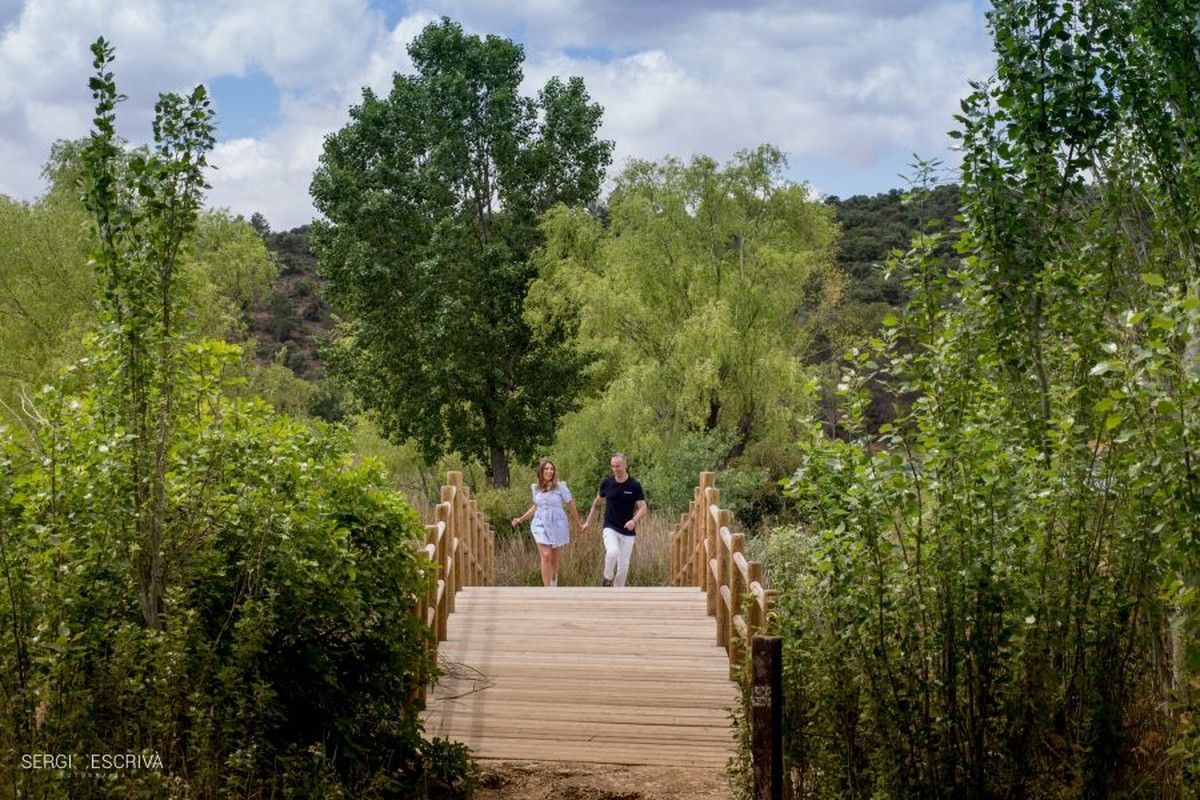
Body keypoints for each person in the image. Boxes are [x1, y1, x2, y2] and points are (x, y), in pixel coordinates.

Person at [511, 460, 583, 587]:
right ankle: (547, 590)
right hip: (540, 523)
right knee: (545, 555)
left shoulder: (561, 487)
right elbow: (535, 507)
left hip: (557, 524)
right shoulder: (535, 488)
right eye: (546, 469)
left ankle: (554, 582)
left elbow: (571, 506)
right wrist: (521, 519)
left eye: (551, 469)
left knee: (554, 559)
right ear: (541, 471)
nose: (549, 471)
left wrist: (578, 524)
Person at [581, 452, 647, 587]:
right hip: (610, 527)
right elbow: (596, 504)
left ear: (625, 465)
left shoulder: (634, 485)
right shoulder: (607, 483)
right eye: (613, 466)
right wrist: (588, 522)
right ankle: (607, 578)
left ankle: (618, 592)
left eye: (618, 466)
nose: (615, 469)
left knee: (624, 566)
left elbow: (643, 508)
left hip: (628, 530)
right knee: (612, 552)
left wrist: (634, 521)